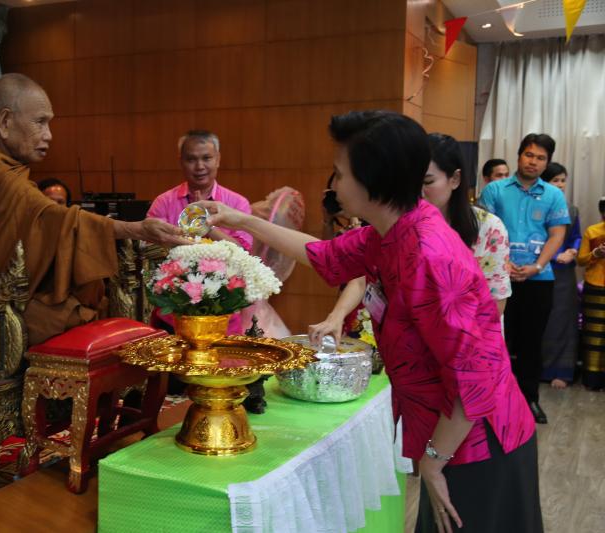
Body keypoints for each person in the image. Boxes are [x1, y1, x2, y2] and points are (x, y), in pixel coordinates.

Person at [198, 111, 541, 533]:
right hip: (451, 435)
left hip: (479, 441)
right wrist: (240, 219)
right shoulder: (392, 231)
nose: (334, 186)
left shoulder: (431, 256)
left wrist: (435, 461)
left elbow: (476, 374)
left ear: (373, 180)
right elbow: (322, 254)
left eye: (340, 174)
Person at [0, 73, 187, 345]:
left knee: (77, 310)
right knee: (66, 315)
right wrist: (136, 229)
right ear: (5, 122)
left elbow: (45, 222)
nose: (49, 135)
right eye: (40, 122)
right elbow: (55, 217)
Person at [310, 133, 511, 343]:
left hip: (468, 342)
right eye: (412, 182)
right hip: (410, 342)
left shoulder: (489, 228)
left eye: (428, 182)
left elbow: (495, 303)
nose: (418, 192)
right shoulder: (399, 222)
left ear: (455, 179)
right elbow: (357, 271)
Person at [479, 133, 569, 425]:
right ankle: (493, 401)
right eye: (529, 155)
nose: (534, 162)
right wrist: (502, 263)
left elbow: (557, 234)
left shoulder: (554, 195)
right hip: (497, 280)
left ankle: (529, 399)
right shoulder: (495, 190)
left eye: (541, 158)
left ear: (547, 162)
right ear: (519, 155)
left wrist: (537, 265)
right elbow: (482, 230)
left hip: (538, 280)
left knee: (532, 342)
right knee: (497, 340)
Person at [146, 129, 252, 335]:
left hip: (223, 311)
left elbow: (242, 253)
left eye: (206, 158)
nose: (200, 166)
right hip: (173, 313)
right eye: (191, 159)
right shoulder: (164, 202)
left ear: (218, 159)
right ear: (181, 161)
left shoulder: (237, 203)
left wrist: (206, 226)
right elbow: (151, 251)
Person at [539, 163, 581, 389]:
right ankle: (538, 369)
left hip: (565, 273)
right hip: (540, 269)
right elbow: (534, 239)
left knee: (564, 320)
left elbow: (576, 237)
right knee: (542, 319)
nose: (561, 184)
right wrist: (555, 256)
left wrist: (572, 250)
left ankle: (562, 371)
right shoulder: (537, 208)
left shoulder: (572, 209)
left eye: (563, 180)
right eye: (555, 180)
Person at [578, 197, 605, 390]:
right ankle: (592, 378)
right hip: (595, 287)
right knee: (593, 334)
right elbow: (580, 260)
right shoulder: (593, 231)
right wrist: (595, 254)